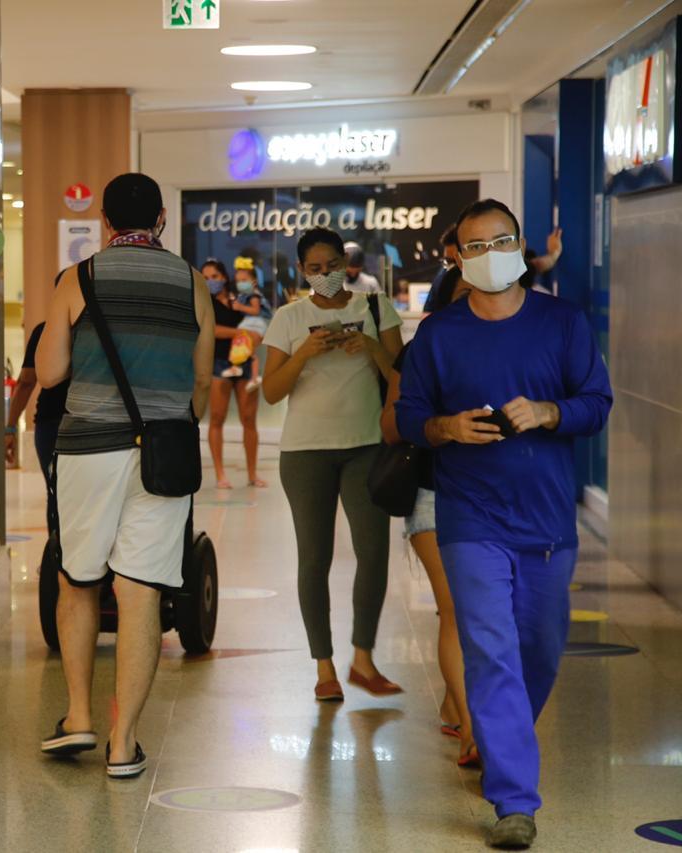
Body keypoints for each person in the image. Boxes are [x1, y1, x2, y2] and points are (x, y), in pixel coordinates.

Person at [396, 200, 612, 850]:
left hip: (547, 520)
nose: (490, 254)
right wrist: (446, 428)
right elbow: (408, 418)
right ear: (456, 257)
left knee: (539, 648)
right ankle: (513, 798)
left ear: (521, 245)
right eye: (475, 245)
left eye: (502, 240)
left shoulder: (562, 322)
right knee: (489, 650)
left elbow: (596, 403)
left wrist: (550, 411)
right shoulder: (438, 334)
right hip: (469, 518)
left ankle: (503, 736)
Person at [36, 172, 214, 778]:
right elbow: (202, 383)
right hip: (164, 454)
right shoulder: (192, 282)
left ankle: (79, 716)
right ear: (161, 218)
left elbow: (51, 372)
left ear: (106, 223)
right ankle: (123, 742)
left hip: (89, 450)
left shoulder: (76, 279)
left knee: (79, 580)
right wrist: (172, 413)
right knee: (141, 591)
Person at [261, 226, 403, 702]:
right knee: (314, 558)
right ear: (303, 271)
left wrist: (371, 348)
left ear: (346, 265)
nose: (325, 276)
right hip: (305, 452)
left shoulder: (376, 308)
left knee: (373, 553)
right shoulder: (288, 317)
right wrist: (306, 350)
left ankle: (362, 658)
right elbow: (272, 390)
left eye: (333, 267)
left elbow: (403, 378)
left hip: (366, 446)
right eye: (315, 269)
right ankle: (324, 667)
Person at [380, 262, 478, 768]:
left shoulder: (508, 346)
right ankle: (472, 730)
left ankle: (454, 700)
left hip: (493, 496)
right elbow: (391, 425)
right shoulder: (419, 351)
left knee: (486, 615)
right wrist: (435, 420)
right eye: (460, 293)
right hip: (432, 493)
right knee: (456, 611)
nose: (470, 301)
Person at [205, 258, 265, 490]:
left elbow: (258, 327)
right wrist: (241, 332)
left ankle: (252, 473)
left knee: (249, 419)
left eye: (214, 276)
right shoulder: (206, 303)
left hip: (245, 362)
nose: (210, 281)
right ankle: (220, 474)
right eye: (206, 278)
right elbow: (212, 330)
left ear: (225, 277)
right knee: (217, 418)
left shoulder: (241, 301)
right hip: (219, 363)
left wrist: (252, 336)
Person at [6, 319, 70, 530]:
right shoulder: (95, 326)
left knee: (55, 492)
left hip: (50, 422)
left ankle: (57, 555)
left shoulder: (45, 329)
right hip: (89, 421)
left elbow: (26, 381)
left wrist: (10, 428)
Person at [228, 256, 270, 392]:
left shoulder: (254, 296)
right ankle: (243, 371)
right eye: (238, 281)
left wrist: (240, 307)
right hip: (248, 324)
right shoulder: (244, 295)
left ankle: (251, 375)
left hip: (255, 324)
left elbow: (255, 310)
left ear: (254, 282)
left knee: (246, 348)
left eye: (244, 280)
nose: (240, 283)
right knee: (243, 348)